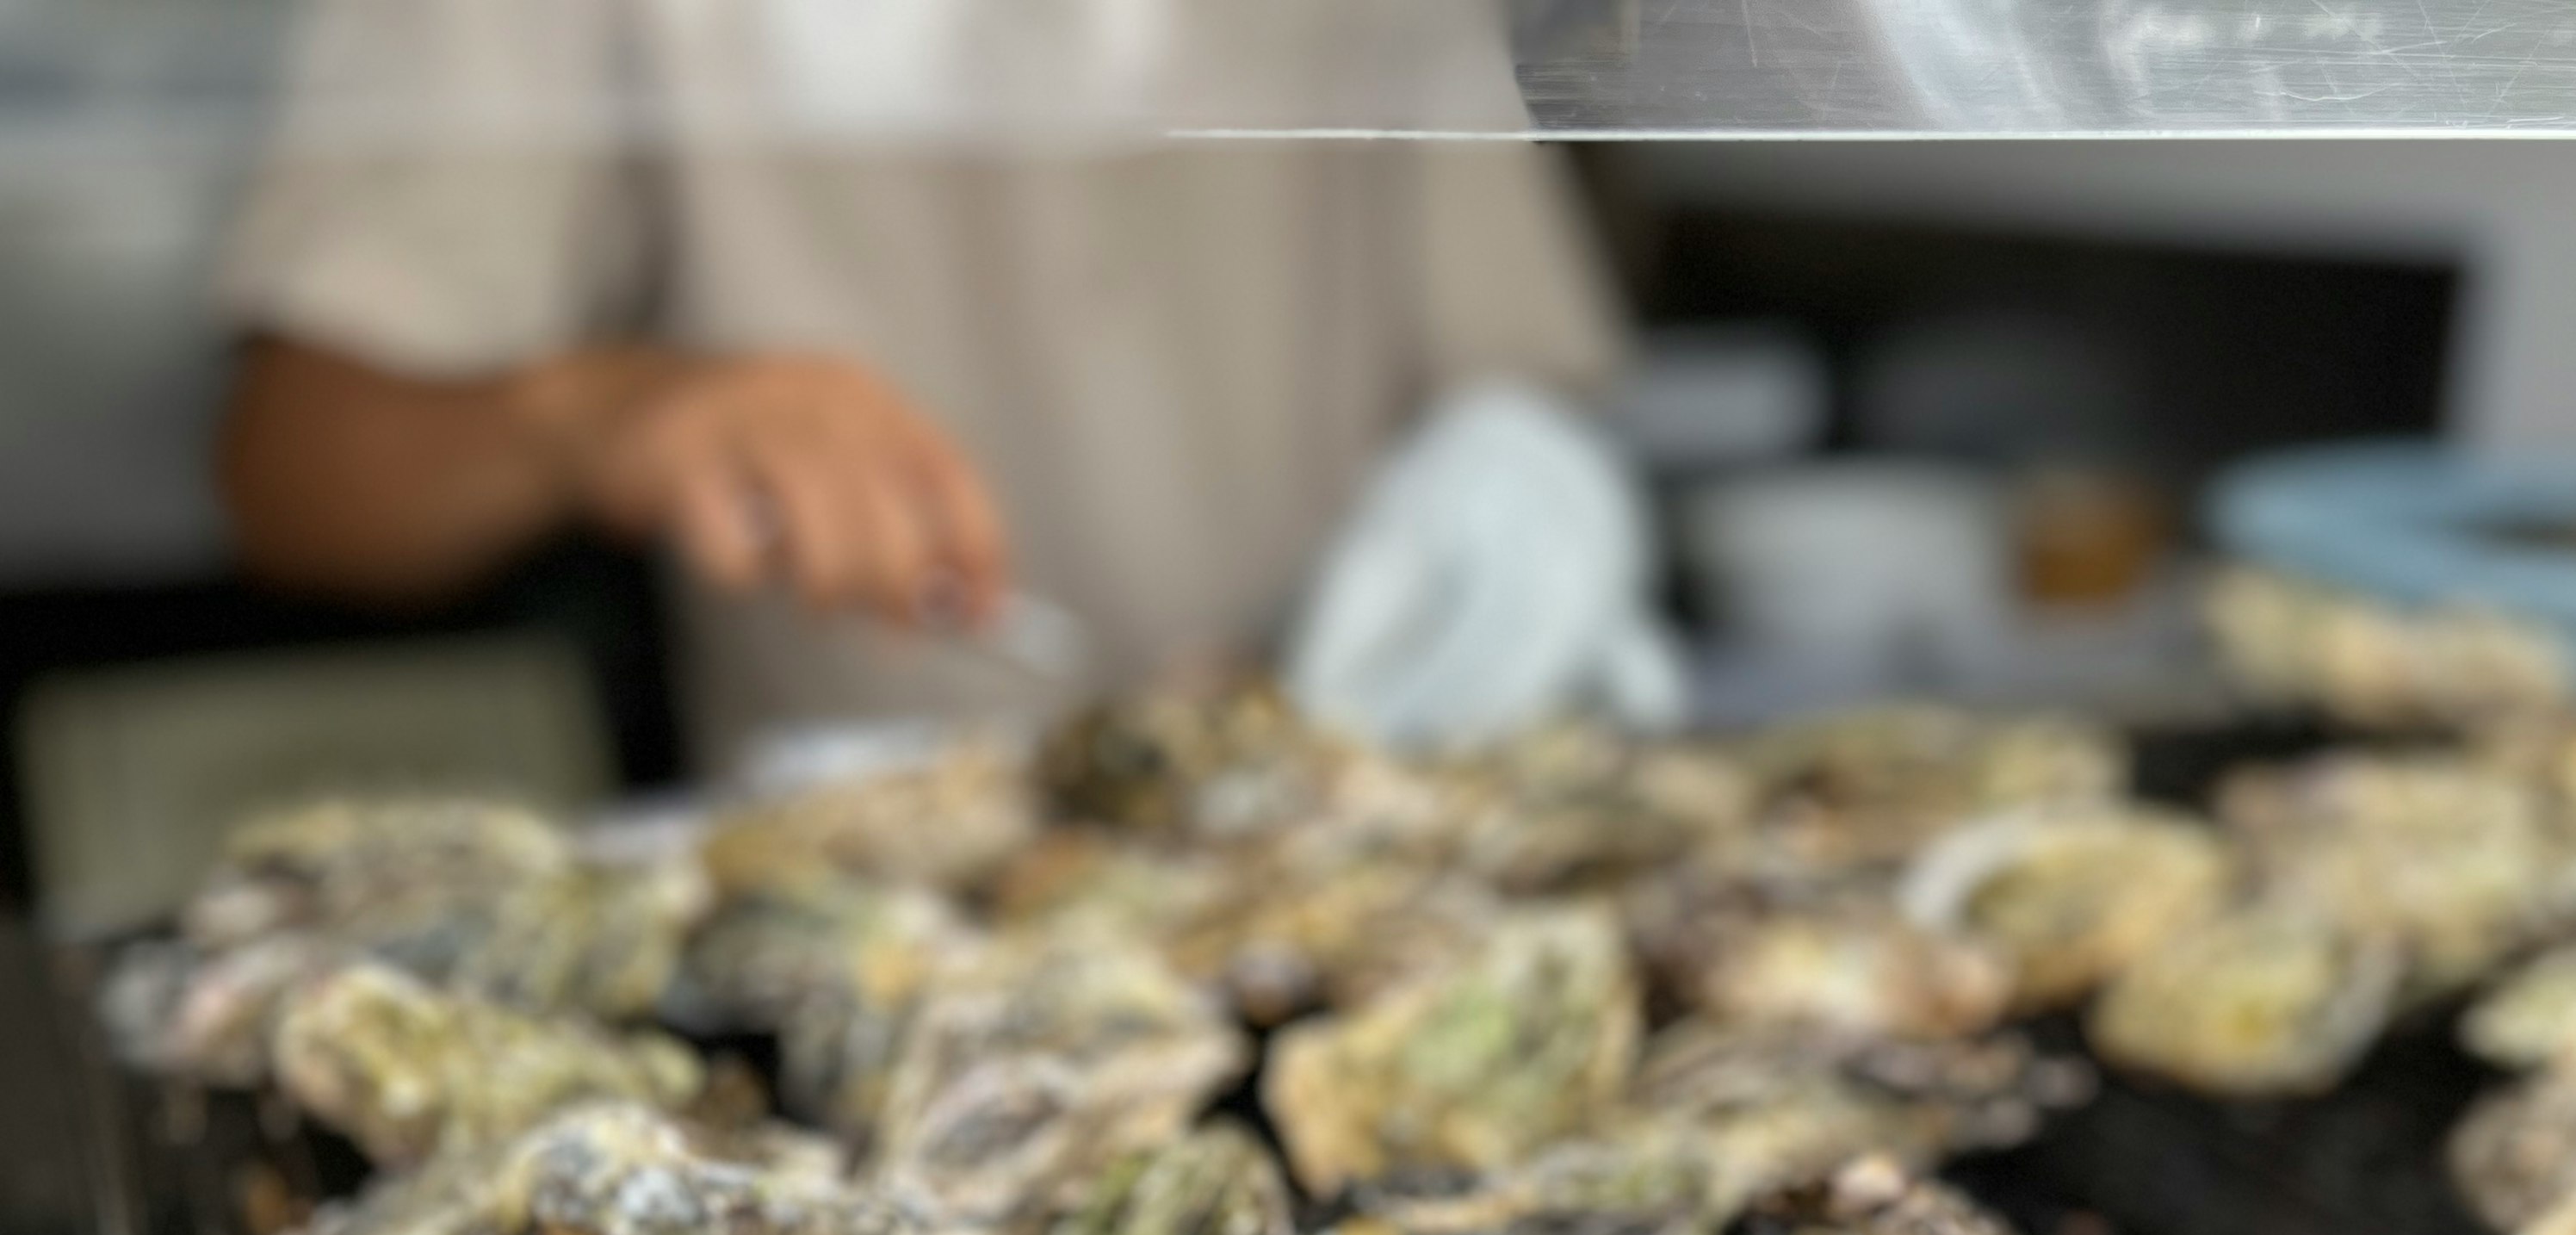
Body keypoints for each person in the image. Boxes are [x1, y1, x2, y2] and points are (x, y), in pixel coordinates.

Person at [212, 0, 1622, 763]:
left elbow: (1515, 353)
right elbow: (298, 473)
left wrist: (1528, 463)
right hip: (891, 878)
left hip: (1379, 814)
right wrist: (594, 413)